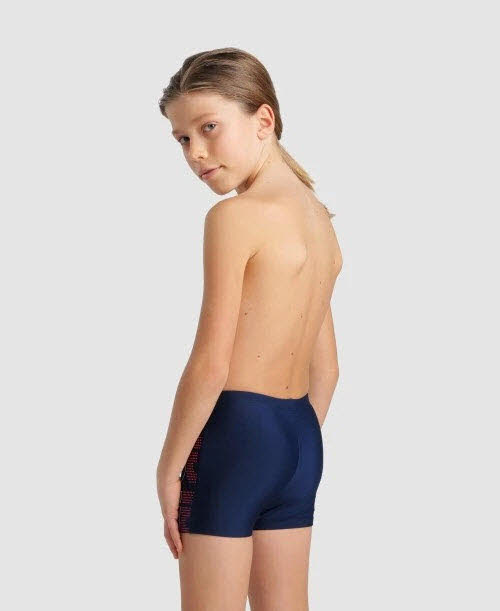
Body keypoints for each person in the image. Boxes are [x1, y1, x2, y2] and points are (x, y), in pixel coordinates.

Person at [156, 47, 343, 611]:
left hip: (235, 433)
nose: (195, 152)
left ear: (264, 119)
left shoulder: (234, 217)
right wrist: (282, 447)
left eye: (208, 127)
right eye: (182, 139)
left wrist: (169, 469)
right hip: (299, 439)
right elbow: (328, 371)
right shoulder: (319, 220)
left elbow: (210, 363)